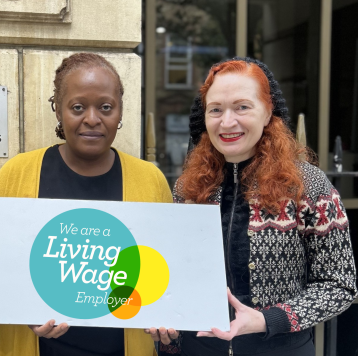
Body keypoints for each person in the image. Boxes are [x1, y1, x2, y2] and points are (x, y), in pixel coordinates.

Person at [147, 57, 357, 356]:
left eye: (242, 107)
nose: (227, 121)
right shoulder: (187, 188)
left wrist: (267, 319)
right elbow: (175, 278)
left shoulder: (307, 184)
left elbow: (340, 285)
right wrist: (166, 324)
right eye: (216, 109)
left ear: (268, 111)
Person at [0, 52, 173, 356]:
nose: (92, 118)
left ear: (120, 111)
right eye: (77, 107)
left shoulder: (149, 180)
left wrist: (167, 317)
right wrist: (22, 309)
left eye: (106, 107)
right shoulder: (17, 175)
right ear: (58, 111)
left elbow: (165, 271)